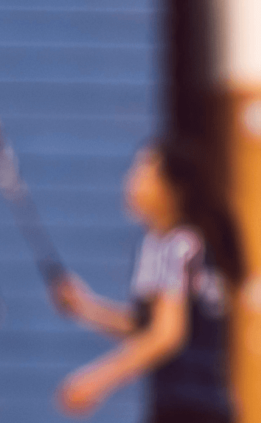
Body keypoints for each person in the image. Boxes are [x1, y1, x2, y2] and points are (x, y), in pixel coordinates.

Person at [53, 136, 244, 423]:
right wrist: (86, 308)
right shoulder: (157, 244)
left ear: (172, 190)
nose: (131, 181)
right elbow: (145, 325)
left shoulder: (181, 244)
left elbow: (167, 335)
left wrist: (96, 379)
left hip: (194, 408)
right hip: (178, 405)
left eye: (142, 173)